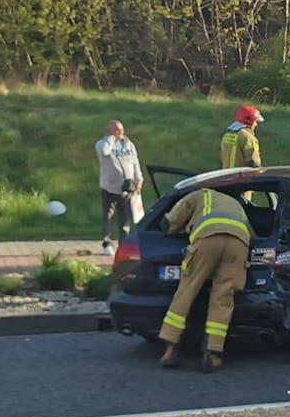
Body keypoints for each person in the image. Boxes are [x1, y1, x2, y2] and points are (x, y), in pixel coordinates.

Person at [157, 187, 251, 372]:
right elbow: (251, 233)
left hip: (208, 238)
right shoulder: (237, 205)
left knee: (187, 291)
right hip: (238, 244)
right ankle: (212, 353)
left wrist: (175, 227)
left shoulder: (200, 193)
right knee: (223, 297)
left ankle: (170, 349)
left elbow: (169, 223)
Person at [96, 120, 143, 255]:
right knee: (108, 215)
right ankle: (107, 243)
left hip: (127, 187)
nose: (120, 132)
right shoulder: (101, 144)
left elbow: (135, 162)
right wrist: (111, 139)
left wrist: (139, 179)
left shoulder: (129, 144)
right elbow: (105, 152)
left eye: (121, 129)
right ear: (109, 131)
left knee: (125, 217)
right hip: (109, 186)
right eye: (116, 130)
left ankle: (123, 243)